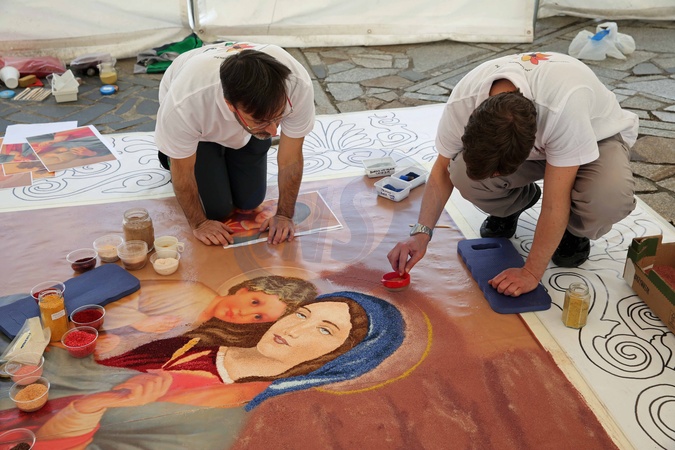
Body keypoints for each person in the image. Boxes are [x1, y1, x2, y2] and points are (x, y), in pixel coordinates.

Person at [388, 51, 638, 297]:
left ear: (532, 146)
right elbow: (442, 170)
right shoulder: (463, 102)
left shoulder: (562, 108)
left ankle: (572, 231)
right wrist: (421, 233)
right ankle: (515, 205)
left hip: (596, 136)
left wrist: (530, 272)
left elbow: (554, 202)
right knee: (461, 173)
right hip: (548, 133)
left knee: (607, 198)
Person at [16, 292, 403, 447]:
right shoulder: (197, 344)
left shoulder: (236, 412)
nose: (294, 328)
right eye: (303, 314)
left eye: (325, 330)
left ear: (342, 357)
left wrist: (90, 409)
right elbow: (89, 371)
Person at [154, 42, 316, 246]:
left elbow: (290, 158)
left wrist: (284, 215)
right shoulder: (185, 103)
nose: (274, 131)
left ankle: (241, 140)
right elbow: (183, 171)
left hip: (242, 121)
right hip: (201, 131)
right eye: (262, 121)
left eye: (278, 117)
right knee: (217, 210)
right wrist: (199, 223)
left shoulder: (297, 84)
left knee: (250, 201)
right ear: (230, 105)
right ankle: (168, 154)